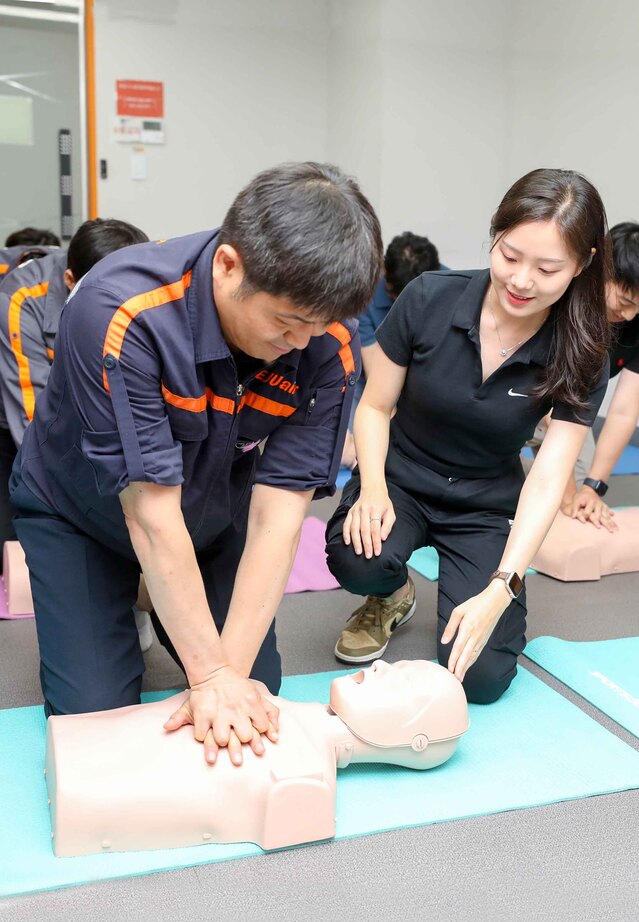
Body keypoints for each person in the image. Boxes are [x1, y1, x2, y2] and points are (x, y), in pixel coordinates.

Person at [11, 162, 382, 766]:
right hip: (82, 513)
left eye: (317, 327)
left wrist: (227, 678)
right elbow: (151, 517)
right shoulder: (121, 313)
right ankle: (124, 600)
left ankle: (160, 602)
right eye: (287, 323)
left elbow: (276, 518)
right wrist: (206, 677)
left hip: (211, 513)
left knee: (257, 698)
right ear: (229, 265)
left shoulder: (325, 338)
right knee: (95, 726)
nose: (300, 342)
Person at [326, 168, 611, 706]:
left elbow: (549, 476)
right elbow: (375, 405)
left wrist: (504, 585)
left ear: (583, 263)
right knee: (358, 556)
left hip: (483, 502)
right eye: (509, 256)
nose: (522, 281)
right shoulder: (429, 297)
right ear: (494, 237)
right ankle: (390, 593)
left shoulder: (582, 348)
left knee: (479, 680)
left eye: (547, 268)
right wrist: (372, 489)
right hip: (400, 480)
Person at [46, 659, 469, 856]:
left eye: (403, 681)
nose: (380, 665)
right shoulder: (267, 697)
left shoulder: (306, 782)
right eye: (398, 664)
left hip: (83, 791)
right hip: (79, 750)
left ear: (416, 740)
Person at [0, 219, 148, 563]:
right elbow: (34, 422)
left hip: (91, 408)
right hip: (15, 414)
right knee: (30, 541)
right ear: (70, 282)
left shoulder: (146, 279)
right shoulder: (19, 300)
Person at [559, 221, 639, 530]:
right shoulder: (567, 301)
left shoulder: (635, 322)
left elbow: (623, 411)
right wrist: (565, 494)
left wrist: (592, 487)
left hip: (571, 415)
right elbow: (552, 410)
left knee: (580, 503)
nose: (629, 316)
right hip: (522, 403)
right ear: (604, 271)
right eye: (625, 302)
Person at [341, 232, 441, 467]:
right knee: (352, 444)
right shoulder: (365, 294)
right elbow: (378, 373)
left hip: (426, 378)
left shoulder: (447, 287)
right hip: (373, 378)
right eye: (393, 294)